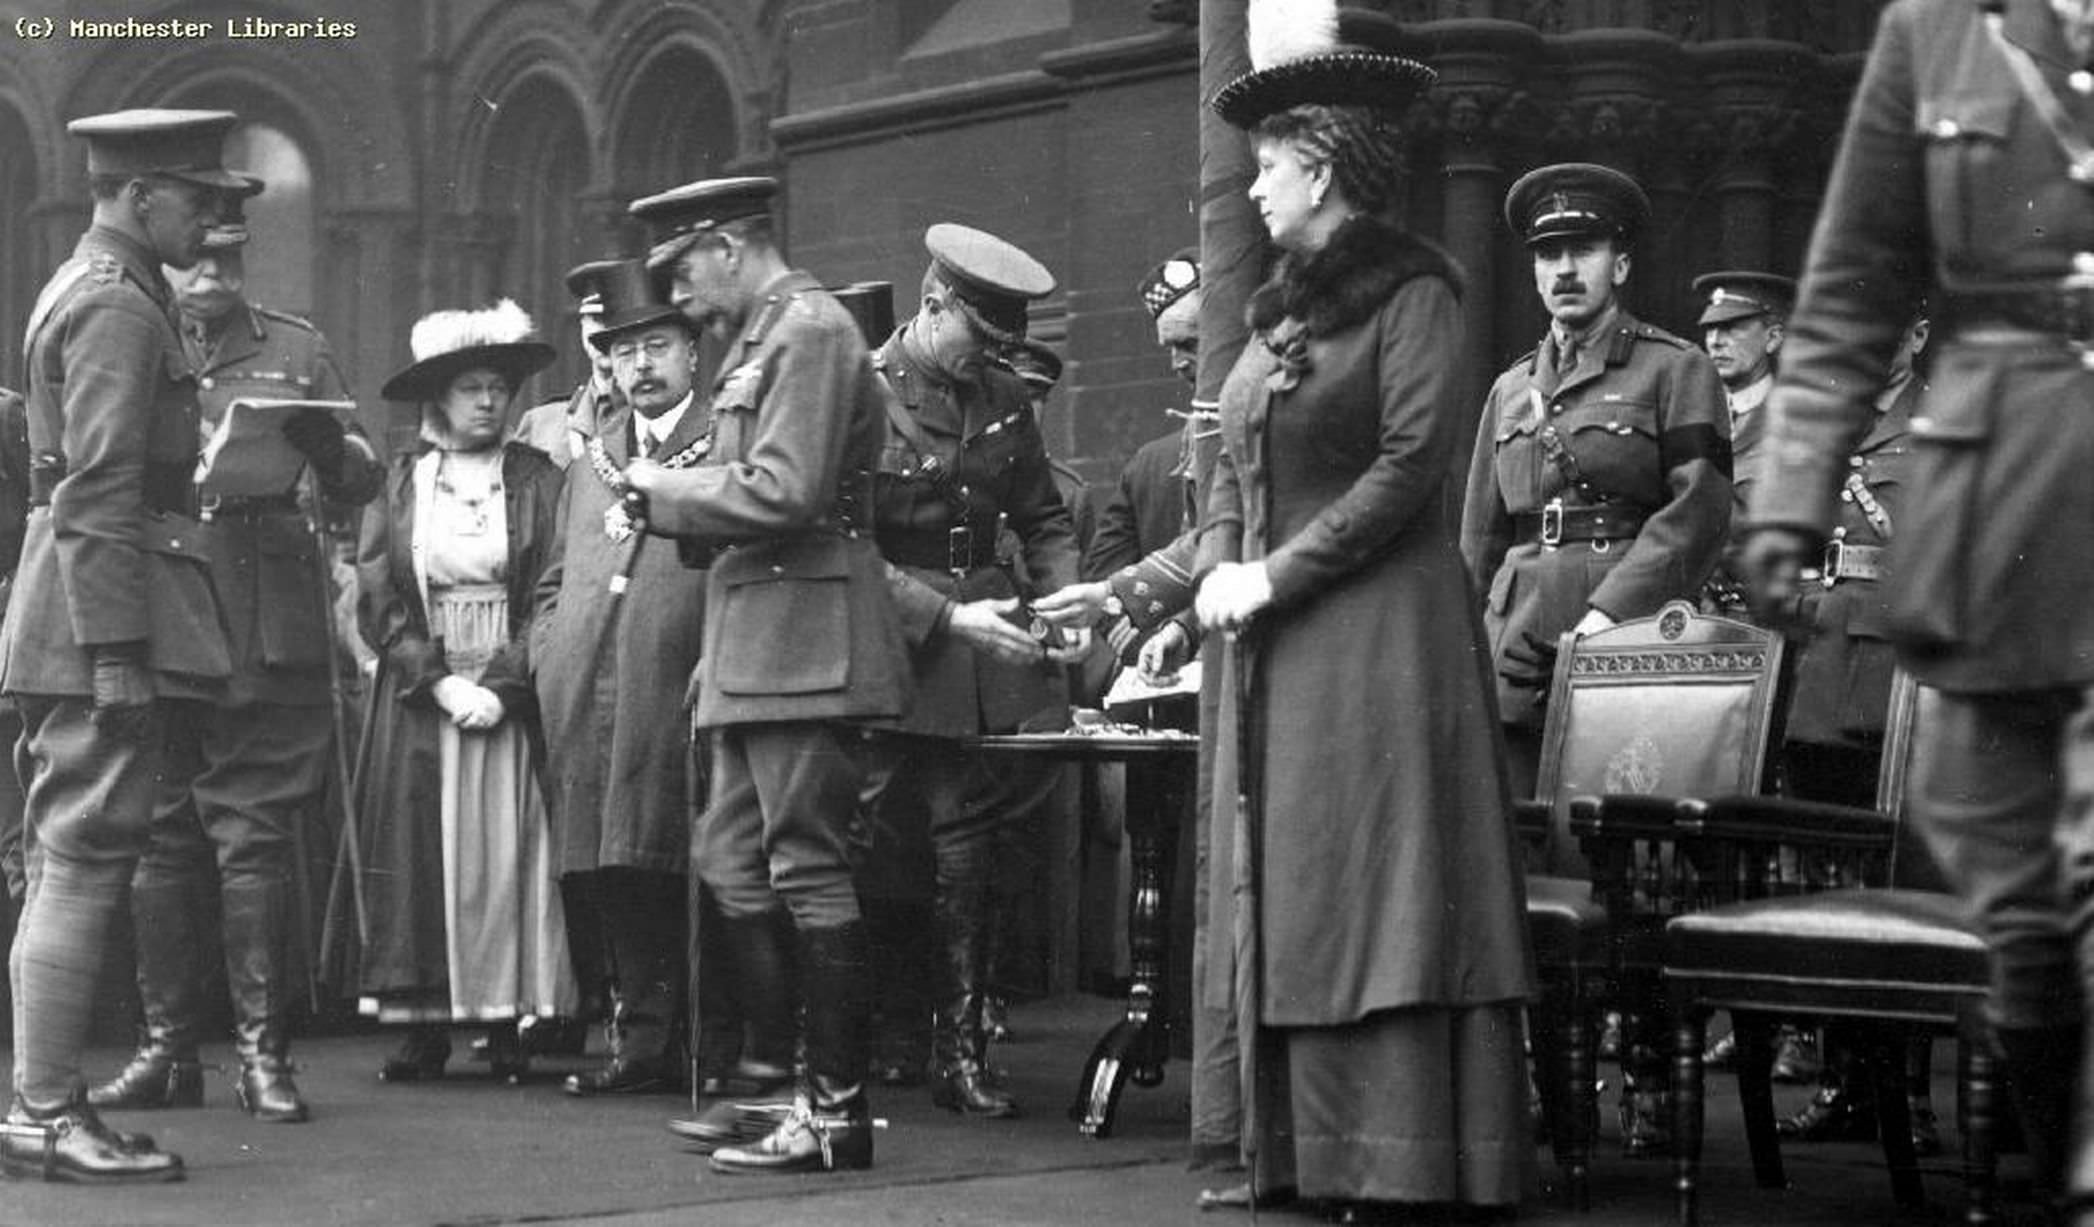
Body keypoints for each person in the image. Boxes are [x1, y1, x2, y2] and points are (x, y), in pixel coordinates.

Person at [1735, 0, 2094, 1213]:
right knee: (2026, 917)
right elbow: (1849, 295)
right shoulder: (1934, 33)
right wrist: (1790, 501)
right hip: (2010, 520)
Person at [1189, 9, 1534, 1217]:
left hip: (1385, 637)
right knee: (1308, 885)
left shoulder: (1414, 296)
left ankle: (1399, 1160)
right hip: (1290, 647)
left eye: (1269, 170)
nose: (1255, 193)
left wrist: (1274, 577)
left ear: (1322, 168)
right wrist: (1151, 585)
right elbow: (1241, 476)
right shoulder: (1280, 314)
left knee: (1378, 886)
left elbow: (1407, 469)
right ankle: (1302, 1154)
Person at [620, 175, 910, 1174]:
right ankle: (788, 1087)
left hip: (808, 644)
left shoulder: (811, 332)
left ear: (731, 246)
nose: (682, 298)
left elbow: (787, 488)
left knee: (808, 866)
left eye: (686, 271)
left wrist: (665, 490)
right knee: (731, 857)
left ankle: (834, 1116)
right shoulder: (761, 339)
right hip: (759, 643)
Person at [87, 176, 381, 1127]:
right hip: (168, 606)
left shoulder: (295, 347)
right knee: (162, 829)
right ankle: (169, 1049)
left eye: (232, 258)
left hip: (264, 610)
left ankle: (262, 1053)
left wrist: (327, 452)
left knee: (251, 834)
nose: (213, 276)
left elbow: (362, 475)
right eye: (199, 256)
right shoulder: (132, 330)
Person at [1458, 160, 1731, 1159]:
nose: (1564, 270)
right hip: (1516, 641)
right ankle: (1541, 1083)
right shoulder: (1506, 392)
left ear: (1621, 258)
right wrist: (1463, 647)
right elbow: (1476, 539)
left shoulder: (1672, 370)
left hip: (1630, 654)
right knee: (1517, 865)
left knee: (1633, 866)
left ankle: (1654, 1074)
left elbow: (1700, 505)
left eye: (1581, 250)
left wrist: (1615, 609)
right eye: (1547, 255)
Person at [0, 107, 245, 1184]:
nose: (213, 217)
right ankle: (46, 1112)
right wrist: (116, 656)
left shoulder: (93, 285)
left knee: (72, 853)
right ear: (139, 196)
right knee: (85, 857)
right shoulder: (120, 307)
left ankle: (40, 1105)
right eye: (199, 198)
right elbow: (99, 490)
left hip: (79, 603)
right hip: (100, 613)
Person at [860, 224, 1087, 1119]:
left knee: (968, 850)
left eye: (1001, 351)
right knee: (871, 840)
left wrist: (1069, 601)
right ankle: (871, 1033)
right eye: (977, 342)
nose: (986, 365)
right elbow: (843, 543)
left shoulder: (1002, 399)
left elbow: (1043, 519)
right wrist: (935, 612)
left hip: (977, 650)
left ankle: (958, 1051)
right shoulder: (861, 394)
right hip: (885, 634)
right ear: (932, 306)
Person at [350, 300, 573, 1084]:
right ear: (438, 397)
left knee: (509, 853)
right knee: (423, 855)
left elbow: (554, 586)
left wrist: (505, 685)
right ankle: (425, 1026)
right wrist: (438, 682)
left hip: (512, 685)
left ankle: (508, 1018)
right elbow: (379, 594)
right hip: (426, 693)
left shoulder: (541, 480)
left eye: (499, 387)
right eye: (472, 387)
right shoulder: (404, 482)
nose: (489, 401)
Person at [532, 260, 708, 1098]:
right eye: (625, 350)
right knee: (613, 861)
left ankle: (702, 1037)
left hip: (678, 686)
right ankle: (639, 1039)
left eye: (658, 346)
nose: (641, 365)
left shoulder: (719, 446)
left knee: (677, 854)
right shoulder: (590, 462)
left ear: (693, 354)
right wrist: (548, 651)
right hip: (590, 693)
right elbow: (553, 579)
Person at [508, 260, 624, 470]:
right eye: (596, 320)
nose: (605, 333)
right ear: (582, 326)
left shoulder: (659, 416)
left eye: (616, 321)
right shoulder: (541, 425)